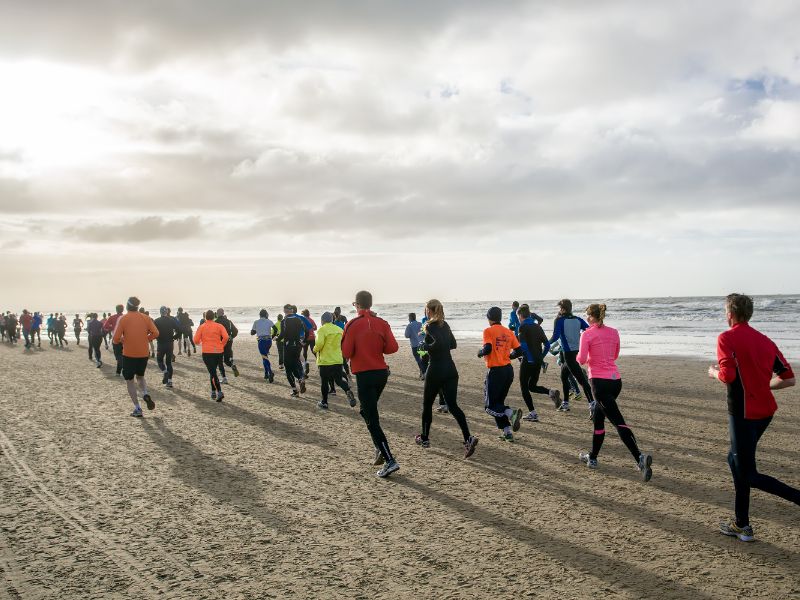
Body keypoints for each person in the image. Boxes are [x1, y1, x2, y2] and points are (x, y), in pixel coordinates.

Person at [708, 293, 798, 542]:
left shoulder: (726, 338)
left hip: (742, 414)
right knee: (734, 460)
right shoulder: (765, 340)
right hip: (765, 413)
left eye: (726, 311)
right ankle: (742, 525)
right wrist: (762, 386)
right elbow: (788, 378)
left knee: (747, 473)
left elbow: (728, 376)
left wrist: (713, 373)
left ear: (730, 314)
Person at [576, 304, 652, 483]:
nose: (586, 319)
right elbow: (615, 355)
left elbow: (580, 359)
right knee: (599, 418)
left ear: (592, 317)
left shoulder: (586, 334)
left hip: (599, 383)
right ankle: (592, 457)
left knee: (618, 422)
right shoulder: (614, 332)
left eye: (588, 316)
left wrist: (584, 358)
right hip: (615, 381)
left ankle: (640, 458)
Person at [341, 290, 400, 478]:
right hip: (381, 373)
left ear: (357, 305)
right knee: (367, 411)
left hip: (365, 375)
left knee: (372, 419)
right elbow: (392, 348)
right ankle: (378, 449)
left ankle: (389, 459)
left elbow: (346, 352)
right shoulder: (381, 323)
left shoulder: (352, 324)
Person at [414, 300, 478, 458]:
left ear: (428, 310)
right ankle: (468, 438)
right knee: (453, 406)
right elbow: (453, 344)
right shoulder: (445, 325)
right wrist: (435, 345)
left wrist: (425, 346)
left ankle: (424, 438)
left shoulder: (429, 325)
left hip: (436, 370)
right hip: (450, 369)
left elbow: (440, 343)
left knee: (427, 404)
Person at [479, 307, 524, 441]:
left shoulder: (488, 331)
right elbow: (519, 351)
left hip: (496, 372)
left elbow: (488, 348)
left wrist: (479, 352)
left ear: (489, 318)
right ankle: (507, 432)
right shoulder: (508, 332)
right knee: (499, 403)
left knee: (490, 406)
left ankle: (512, 413)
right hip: (508, 371)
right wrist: (507, 356)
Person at [112, 297, 159, 417]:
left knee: (129, 381)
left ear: (127, 306)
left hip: (129, 354)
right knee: (140, 376)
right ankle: (145, 393)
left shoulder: (123, 319)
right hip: (143, 353)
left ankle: (138, 408)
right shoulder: (145, 317)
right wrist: (145, 339)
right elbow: (156, 333)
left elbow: (115, 338)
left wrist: (124, 340)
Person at [549, 299, 595, 414]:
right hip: (576, 353)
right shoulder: (578, 319)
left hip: (568, 355)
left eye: (560, 308)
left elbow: (555, 337)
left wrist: (545, 342)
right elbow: (589, 331)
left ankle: (592, 405)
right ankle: (565, 403)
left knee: (582, 381)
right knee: (564, 376)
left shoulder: (559, 320)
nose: (560, 310)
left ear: (563, 309)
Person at [516, 305, 561, 421]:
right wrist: (541, 357)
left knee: (524, 387)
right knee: (532, 386)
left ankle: (533, 413)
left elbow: (524, 346)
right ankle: (550, 392)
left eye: (518, 317)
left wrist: (530, 358)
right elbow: (547, 345)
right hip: (538, 361)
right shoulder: (537, 327)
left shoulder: (522, 327)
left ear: (520, 316)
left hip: (528, 361)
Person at [314, 312, 357, 409]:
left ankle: (324, 402)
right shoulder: (339, 329)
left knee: (324, 382)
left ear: (322, 320)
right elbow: (344, 344)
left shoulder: (322, 329)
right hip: (337, 359)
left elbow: (319, 344)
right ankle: (347, 391)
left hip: (325, 361)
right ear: (332, 320)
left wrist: (315, 349)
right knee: (338, 380)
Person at [194, 309, 229, 402]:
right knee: (212, 371)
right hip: (219, 351)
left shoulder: (202, 326)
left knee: (213, 372)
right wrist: (222, 344)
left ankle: (219, 391)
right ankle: (213, 391)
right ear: (214, 317)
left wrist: (201, 341)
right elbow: (226, 337)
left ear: (205, 317)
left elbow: (196, 340)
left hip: (207, 352)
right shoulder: (219, 326)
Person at [277, 304, 308, 397]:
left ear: (285, 311)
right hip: (297, 346)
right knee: (296, 364)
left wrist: (276, 339)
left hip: (288, 346)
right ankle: (300, 379)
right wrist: (304, 341)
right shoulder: (299, 319)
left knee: (288, 370)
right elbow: (307, 331)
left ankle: (295, 391)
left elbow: (282, 334)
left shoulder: (284, 321)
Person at [154, 306, 181, 388]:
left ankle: (165, 371)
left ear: (160, 312)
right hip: (169, 344)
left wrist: (156, 337)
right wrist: (174, 337)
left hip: (161, 344)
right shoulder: (171, 320)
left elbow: (153, 331)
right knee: (169, 362)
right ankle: (170, 381)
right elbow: (179, 330)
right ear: (166, 312)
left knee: (159, 360)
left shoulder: (157, 321)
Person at [250, 309, 275, 382]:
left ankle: (270, 372)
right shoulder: (269, 321)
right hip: (269, 341)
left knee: (264, 357)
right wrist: (273, 336)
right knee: (265, 357)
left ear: (260, 315)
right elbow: (275, 329)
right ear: (266, 315)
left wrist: (255, 331)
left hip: (261, 341)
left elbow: (252, 333)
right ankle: (266, 373)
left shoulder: (256, 322)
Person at [215, 308, 239, 377]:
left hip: (220, 342)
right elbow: (236, 331)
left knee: (219, 360)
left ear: (217, 314)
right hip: (228, 341)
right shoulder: (228, 321)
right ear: (223, 313)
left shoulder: (216, 322)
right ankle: (232, 364)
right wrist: (232, 336)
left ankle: (223, 377)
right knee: (227, 358)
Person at [104, 305, 125, 375]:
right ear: (123, 309)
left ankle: (118, 371)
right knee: (122, 355)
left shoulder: (112, 317)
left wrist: (112, 327)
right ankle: (120, 369)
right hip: (125, 339)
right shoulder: (126, 317)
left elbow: (105, 326)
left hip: (116, 339)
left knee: (118, 355)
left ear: (116, 310)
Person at [404, 312, 425, 378]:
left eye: (408, 318)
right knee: (423, 359)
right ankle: (422, 372)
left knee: (418, 360)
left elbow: (407, 336)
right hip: (422, 344)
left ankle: (424, 372)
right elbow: (424, 333)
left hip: (415, 345)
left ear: (410, 318)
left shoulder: (409, 326)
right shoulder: (420, 324)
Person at [300, 309, 317, 377]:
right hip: (312, 337)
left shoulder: (302, 320)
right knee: (314, 351)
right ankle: (319, 361)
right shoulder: (311, 320)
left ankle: (305, 363)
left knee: (305, 351)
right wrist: (311, 328)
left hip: (306, 337)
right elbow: (315, 328)